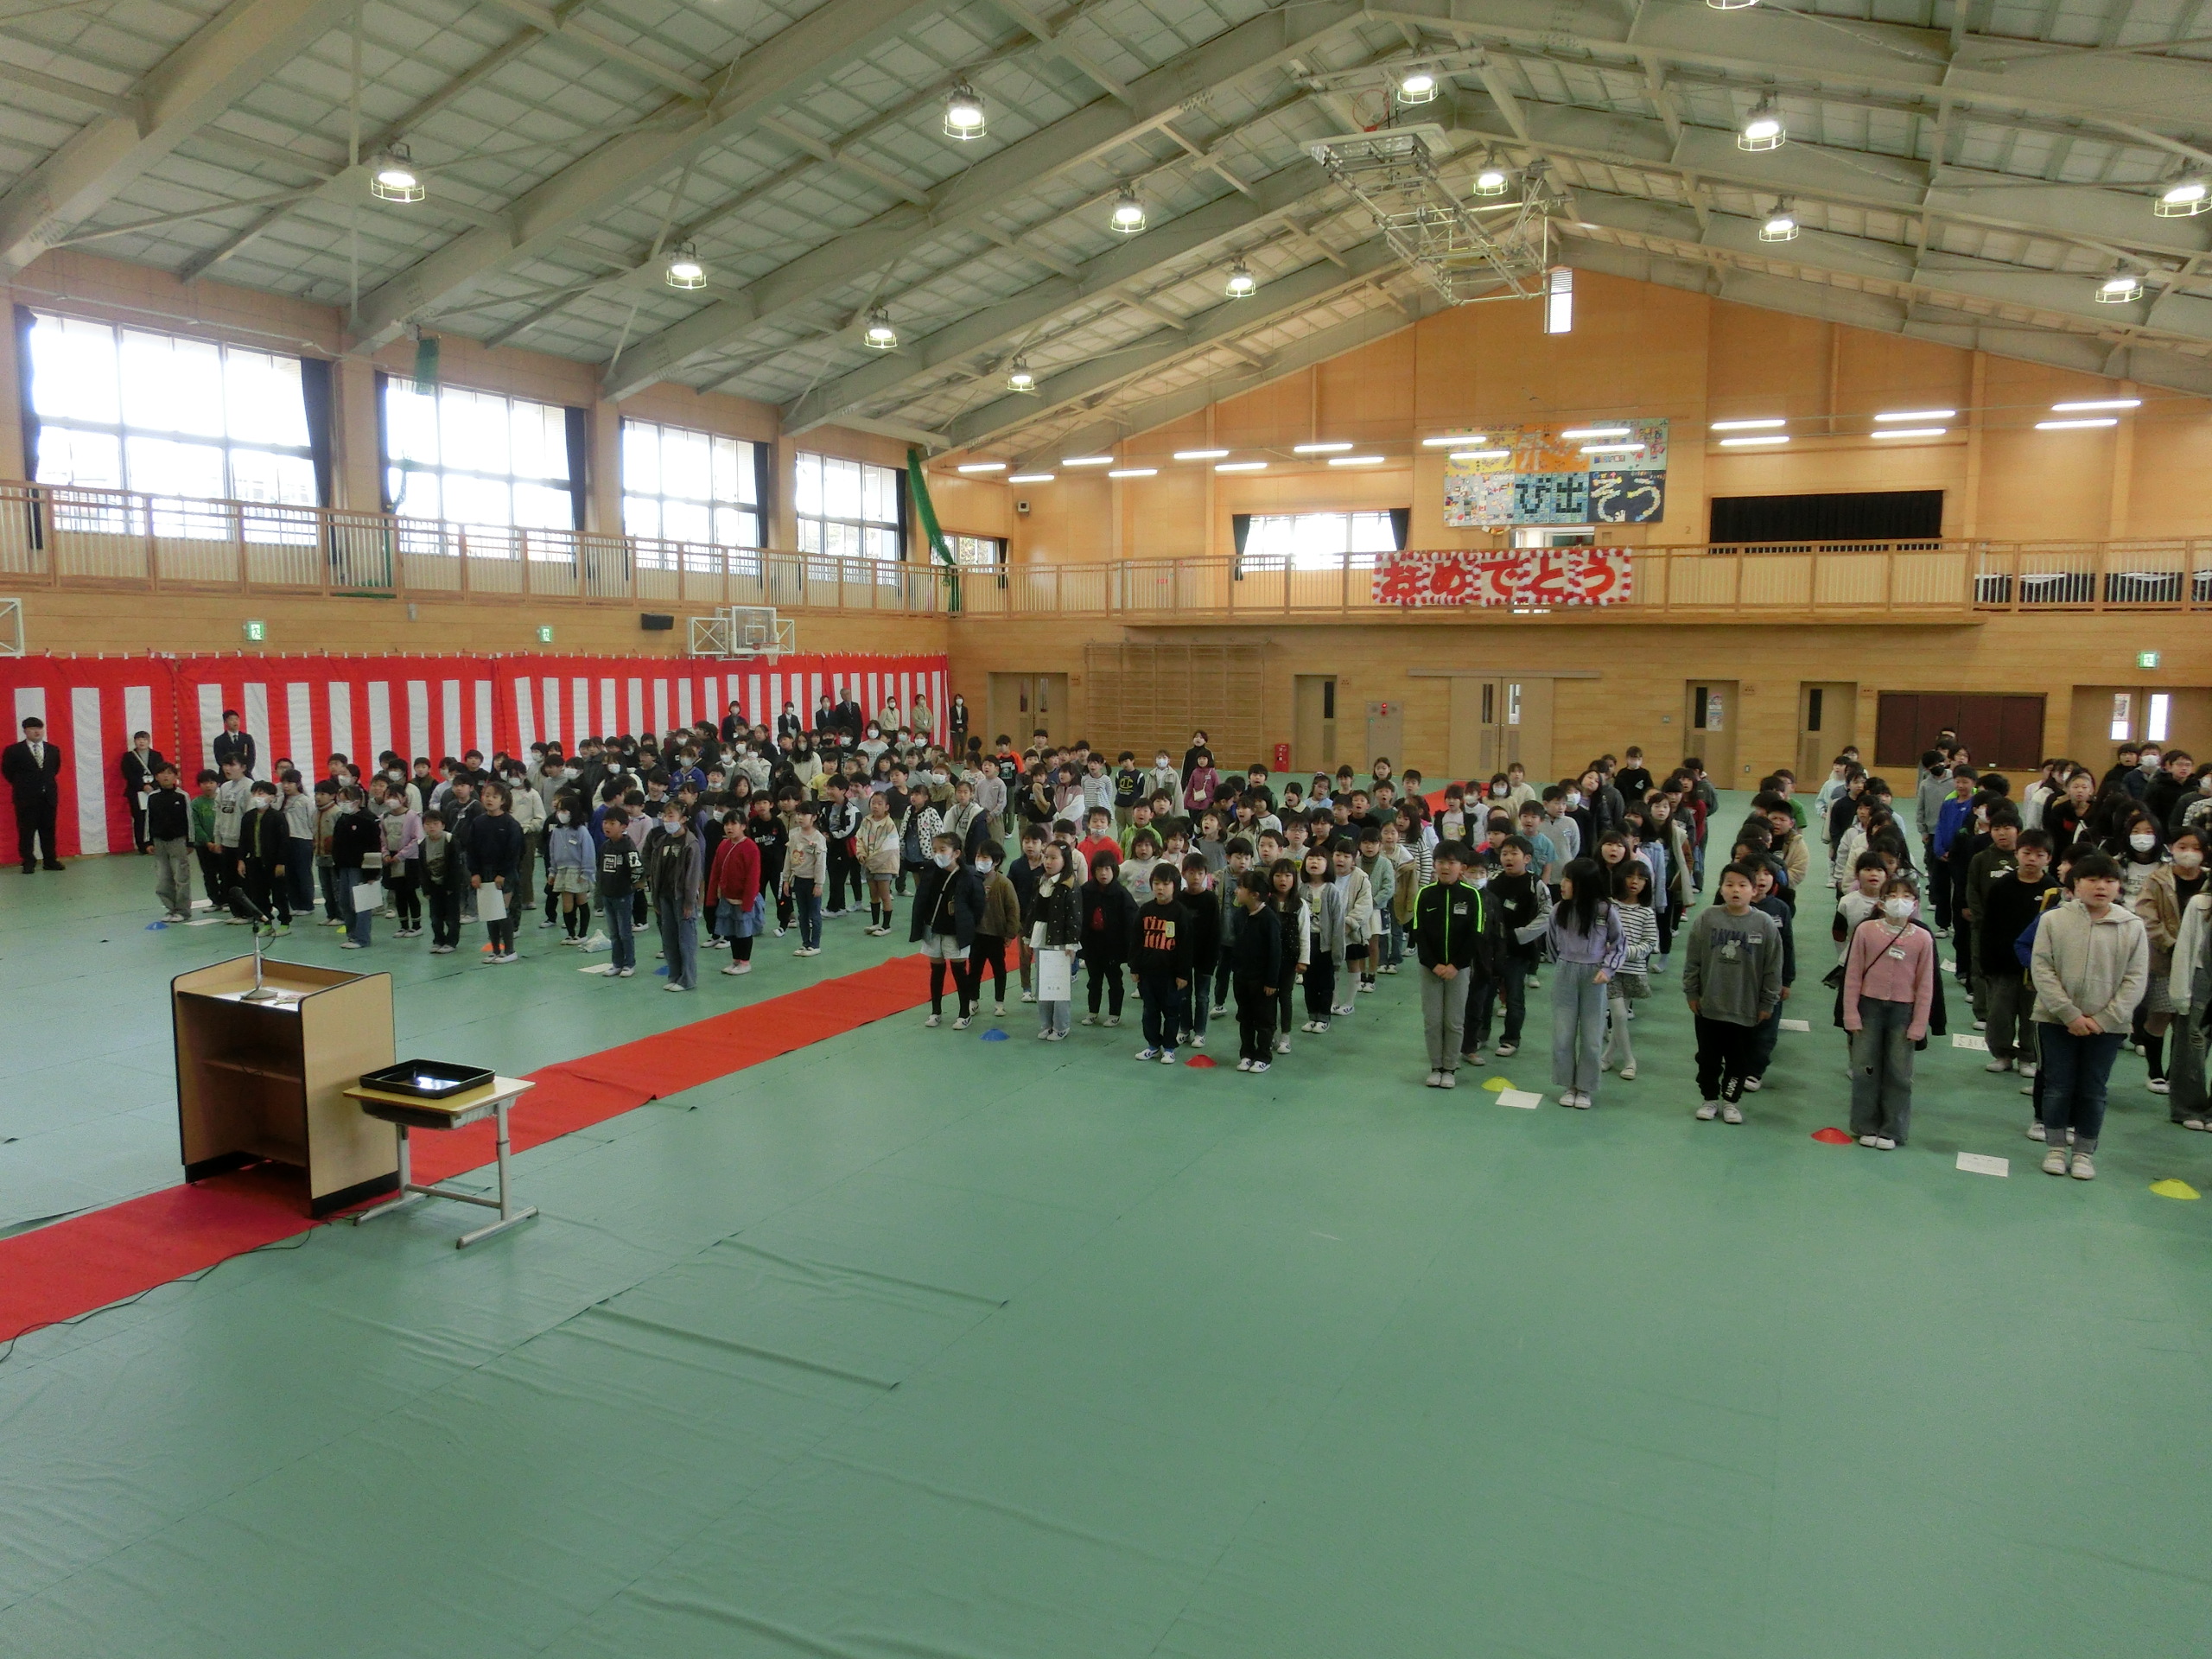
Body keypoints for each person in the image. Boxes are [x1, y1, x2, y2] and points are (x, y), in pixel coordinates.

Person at [2030, 853, 2150, 1179]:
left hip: (2108, 1027)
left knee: (2093, 1089)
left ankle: (2084, 1153)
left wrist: (2104, 1019)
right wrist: (2069, 1013)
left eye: (2110, 881)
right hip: (2056, 1020)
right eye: (2092, 879)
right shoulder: (2053, 920)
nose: (2101, 886)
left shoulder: (2132, 926)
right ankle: (2056, 1147)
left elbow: (2136, 979)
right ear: (2076, 884)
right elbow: (2042, 968)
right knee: (2057, 1085)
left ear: (2119, 887)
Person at [1681, 862, 1784, 1122]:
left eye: (1742, 885)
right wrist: (1692, 992)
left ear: (1754, 890)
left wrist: (1768, 1002)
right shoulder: (1707, 918)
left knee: (1739, 1060)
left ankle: (1731, 1101)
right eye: (1729, 884)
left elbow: (1773, 967)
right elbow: (1693, 959)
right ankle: (1709, 1098)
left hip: (1745, 1008)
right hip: (1709, 1006)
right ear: (1721, 889)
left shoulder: (1764, 924)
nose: (1735, 890)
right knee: (1708, 1057)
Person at [1841, 876, 1937, 1148]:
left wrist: (1919, 1024)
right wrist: (1851, 1014)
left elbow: (1925, 984)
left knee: (1899, 1073)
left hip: (1903, 1012)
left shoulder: (1923, 938)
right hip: (1868, 1008)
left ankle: (1893, 1130)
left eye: (1906, 896)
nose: (1899, 901)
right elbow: (1853, 975)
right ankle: (1865, 1125)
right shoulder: (1866, 931)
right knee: (1865, 1069)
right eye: (1893, 895)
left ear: (1915, 903)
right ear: (1881, 903)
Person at [1548, 856, 1627, 1107]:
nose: (1563, 884)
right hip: (1565, 972)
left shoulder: (1605, 911)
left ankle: (1585, 1088)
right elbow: (1551, 942)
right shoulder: (1559, 910)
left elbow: (1619, 943)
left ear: (1584, 883)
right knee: (1563, 1034)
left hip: (1594, 976)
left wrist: (1608, 969)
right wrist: (1562, 965)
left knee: (1592, 1036)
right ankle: (1568, 1084)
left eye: (1568, 880)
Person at [1979, 829, 2056, 1076]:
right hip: (2003, 965)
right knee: (1999, 1014)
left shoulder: (2053, 891)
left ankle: (2028, 1057)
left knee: (2032, 1015)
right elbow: (1988, 927)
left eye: (2039, 855)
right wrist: (1986, 964)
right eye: (2027, 853)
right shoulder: (2001, 887)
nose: (2032, 859)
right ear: (2017, 854)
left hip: (2037, 967)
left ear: (2049, 859)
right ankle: (2002, 1054)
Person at [1414, 841, 1485, 1089]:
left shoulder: (1471, 896)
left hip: (1459, 970)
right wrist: (1433, 964)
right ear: (1434, 865)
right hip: (1430, 969)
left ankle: (1450, 1067)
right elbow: (1419, 933)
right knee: (1433, 1020)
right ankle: (1436, 1067)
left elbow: (1475, 935)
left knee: (1454, 1021)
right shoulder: (1425, 894)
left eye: (1451, 862)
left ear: (1462, 867)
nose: (1445, 867)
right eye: (1441, 862)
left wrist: (1456, 965)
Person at [911, 831, 983, 1027]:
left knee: (959, 971)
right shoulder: (930, 870)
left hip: (956, 932)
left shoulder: (969, 876)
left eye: (943, 850)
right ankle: (935, 1012)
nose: (938, 854)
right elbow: (922, 899)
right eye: (935, 850)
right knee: (936, 971)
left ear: (956, 853)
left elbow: (978, 906)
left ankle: (964, 1013)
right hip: (934, 930)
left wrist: (968, 926)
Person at [1601, 861, 1656, 1082]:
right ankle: (1629, 1060)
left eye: (1641, 878)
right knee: (1619, 1015)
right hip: (1609, 970)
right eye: (1630, 876)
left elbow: (1650, 943)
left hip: (1633, 970)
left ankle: (1607, 1057)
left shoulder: (1646, 912)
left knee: (1620, 1017)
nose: (1635, 882)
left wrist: (1624, 952)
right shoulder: (1608, 907)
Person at [1131, 864, 1193, 1064]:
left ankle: (1169, 1048)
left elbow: (1186, 946)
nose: (1160, 888)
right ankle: (1153, 1045)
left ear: (1175, 886)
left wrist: (1183, 974)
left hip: (1171, 975)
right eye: (1157, 883)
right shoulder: (1145, 910)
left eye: (1166, 884)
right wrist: (1135, 967)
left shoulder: (1180, 913)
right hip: (1148, 973)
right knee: (1149, 1011)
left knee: (1171, 1012)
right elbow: (1136, 941)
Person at [645, 796, 703, 991]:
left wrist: (689, 902)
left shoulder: (690, 843)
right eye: (665, 816)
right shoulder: (662, 841)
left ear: (683, 819)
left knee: (686, 940)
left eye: (671, 816)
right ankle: (674, 975)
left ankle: (687, 979)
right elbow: (655, 870)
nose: (666, 820)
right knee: (669, 940)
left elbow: (693, 876)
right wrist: (655, 898)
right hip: (664, 896)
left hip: (682, 898)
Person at [463, 782, 525, 963]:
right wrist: (475, 873)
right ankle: (496, 950)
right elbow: (471, 850)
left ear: (503, 801)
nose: (490, 799)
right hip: (485, 872)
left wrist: (503, 874)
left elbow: (514, 852)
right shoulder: (478, 822)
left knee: (502, 911)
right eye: (487, 795)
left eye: (495, 796)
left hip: (505, 874)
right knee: (490, 912)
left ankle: (510, 950)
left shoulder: (510, 824)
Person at [1027, 840, 1081, 1040]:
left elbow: (1075, 917)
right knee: (1043, 984)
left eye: (1053, 858)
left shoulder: (1069, 885)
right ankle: (1046, 1024)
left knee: (1059, 986)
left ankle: (1061, 1026)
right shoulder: (1040, 881)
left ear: (1065, 861)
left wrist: (1071, 944)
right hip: (1041, 938)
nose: (1048, 862)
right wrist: (1027, 935)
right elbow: (1033, 910)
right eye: (1046, 857)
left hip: (1060, 942)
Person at [1080, 849, 1135, 1027]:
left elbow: (1130, 922)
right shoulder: (1086, 891)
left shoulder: (1121, 894)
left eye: (1107, 869)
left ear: (1114, 870)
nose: (1103, 873)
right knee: (1093, 980)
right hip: (1092, 944)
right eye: (1099, 869)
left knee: (1114, 981)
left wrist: (1129, 949)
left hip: (1113, 946)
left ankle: (1114, 1013)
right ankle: (1092, 1011)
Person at [3, 715, 65, 872]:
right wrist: (25, 786)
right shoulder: (14, 751)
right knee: (26, 831)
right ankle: (28, 861)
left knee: (48, 830)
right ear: (25, 731)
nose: (37, 732)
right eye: (32, 729)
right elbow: (8, 772)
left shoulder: (53, 750)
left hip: (48, 797)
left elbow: (54, 770)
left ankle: (50, 860)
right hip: (26, 798)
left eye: (39, 728)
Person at [709, 810, 765, 976]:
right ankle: (736, 960)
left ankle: (745, 962)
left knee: (744, 931)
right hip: (727, 898)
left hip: (743, 900)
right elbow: (715, 872)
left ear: (743, 826)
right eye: (726, 824)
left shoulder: (750, 847)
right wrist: (712, 897)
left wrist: (747, 902)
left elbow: (753, 877)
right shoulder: (723, 845)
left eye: (733, 824)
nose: (729, 828)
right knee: (731, 930)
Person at [594, 805, 642, 976]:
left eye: (612, 823)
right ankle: (617, 963)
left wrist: (630, 887)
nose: (607, 826)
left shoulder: (628, 846)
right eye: (605, 822)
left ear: (623, 826)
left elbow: (637, 869)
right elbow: (600, 869)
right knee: (614, 933)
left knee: (624, 932)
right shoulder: (605, 846)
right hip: (608, 894)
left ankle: (629, 964)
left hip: (623, 895)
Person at [146, 760, 193, 921]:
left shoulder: (182, 796)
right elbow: (149, 820)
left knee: (181, 877)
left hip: (178, 841)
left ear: (175, 776)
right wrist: (148, 841)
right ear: (156, 777)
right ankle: (171, 909)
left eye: (169, 773)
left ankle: (183, 911)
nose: (165, 776)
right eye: (162, 773)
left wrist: (190, 841)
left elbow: (189, 820)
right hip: (159, 842)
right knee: (163, 878)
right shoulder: (152, 797)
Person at [417, 808, 466, 955]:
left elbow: (456, 866)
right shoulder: (422, 844)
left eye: (435, 823)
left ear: (443, 825)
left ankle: (451, 941)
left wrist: (452, 886)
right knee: (435, 917)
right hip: (433, 886)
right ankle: (438, 940)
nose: (431, 827)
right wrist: (426, 889)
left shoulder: (450, 840)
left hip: (450, 886)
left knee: (452, 917)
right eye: (428, 824)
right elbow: (422, 868)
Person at [784, 800, 828, 957]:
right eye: (798, 814)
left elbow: (821, 863)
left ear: (814, 817)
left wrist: (819, 884)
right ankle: (805, 943)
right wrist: (786, 879)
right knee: (802, 914)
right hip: (798, 879)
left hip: (812, 881)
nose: (800, 817)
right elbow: (788, 859)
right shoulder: (794, 836)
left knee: (814, 914)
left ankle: (815, 945)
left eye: (804, 814)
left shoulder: (818, 838)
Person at [119, 731, 166, 854]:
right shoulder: (128, 756)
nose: (142, 742)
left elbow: (161, 771)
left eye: (144, 739)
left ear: (149, 741)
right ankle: (143, 846)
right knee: (139, 819)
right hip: (136, 792)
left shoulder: (156, 755)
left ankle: (156, 844)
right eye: (139, 739)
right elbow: (127, 774)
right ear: (135, 741)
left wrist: (153, 785)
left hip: (154, 791)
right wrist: (142, 786)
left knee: (155, 817)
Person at [211, 709, 257, 778]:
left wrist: (244, 771)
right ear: (225, 722)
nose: (235, 722)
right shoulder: (219, 740)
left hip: (244, 774)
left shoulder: (247, 738)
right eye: (231, 719)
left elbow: (251, 758)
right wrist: (231, 771)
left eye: (237, 719)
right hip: (226, 776)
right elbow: (220, 760)